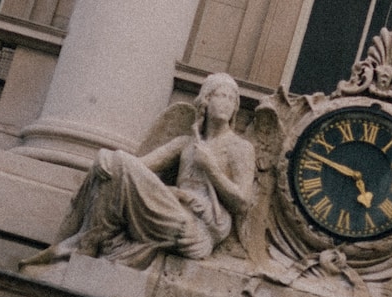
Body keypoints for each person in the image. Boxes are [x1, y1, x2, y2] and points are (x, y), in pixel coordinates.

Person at [23, 71, 257, 270]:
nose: (227, 103)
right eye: (221, 95)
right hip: (172, 209)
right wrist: (107, 160)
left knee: (118, 162)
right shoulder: (185, 144)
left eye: (232, 99)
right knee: (111, 163)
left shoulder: (240, 148)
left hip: (197, 229)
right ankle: (79, 243)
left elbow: (242, 202)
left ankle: (76, 246)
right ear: (206, 100)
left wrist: (211, 168)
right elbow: (139, 168)